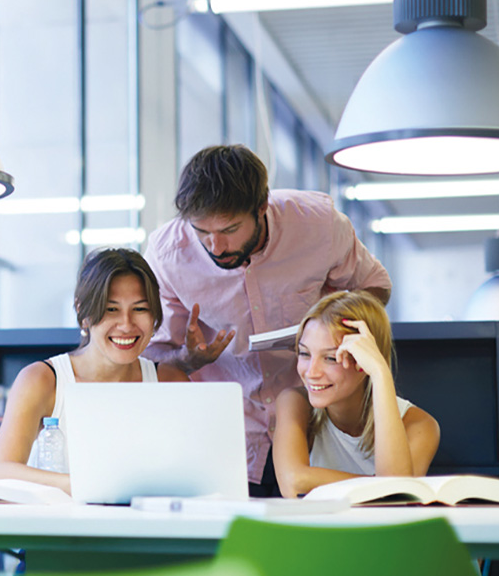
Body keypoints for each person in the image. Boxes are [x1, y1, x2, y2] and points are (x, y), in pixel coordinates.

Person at [143, 144, 391, 495]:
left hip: (320, 425)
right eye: (201, 232)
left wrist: (331, 329)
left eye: (229, 229)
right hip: (226, 437)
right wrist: (188, 359)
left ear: (262, 208)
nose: (215, 246)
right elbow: (150, 357)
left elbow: (375, 288)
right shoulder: (167, 254)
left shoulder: (318, 224)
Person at [0, 248, 189, 493]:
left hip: (145, 528)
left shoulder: (171, 382)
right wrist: (83, 485)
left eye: (140, 309)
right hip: (64, 527)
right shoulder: (42, 379)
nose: (126, 325)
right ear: (84, 314)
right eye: (111, 309)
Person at [272, 291, 439, 498]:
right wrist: (381, 485)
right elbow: (293, 483)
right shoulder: (295, 403)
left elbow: (395, 499)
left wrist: (380, 373)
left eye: (331, 358)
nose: (311, 372)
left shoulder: (420, 425)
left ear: (365, 360)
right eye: (305, 353)